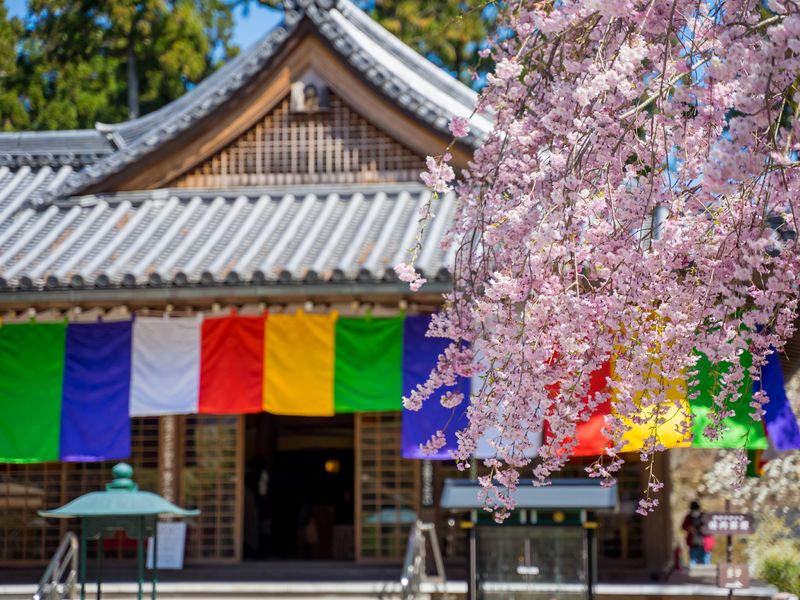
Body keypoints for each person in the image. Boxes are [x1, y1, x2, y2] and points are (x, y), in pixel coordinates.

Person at [682, 500, 715, 565]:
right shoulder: (689, 517)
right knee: (693, 563)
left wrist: (703, 529)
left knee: (706, 563)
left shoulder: (705, 516)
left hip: (705, 545)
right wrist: (690, 528)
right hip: (694, 544)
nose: (694, 512)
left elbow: (711, 528)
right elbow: (684, 526)